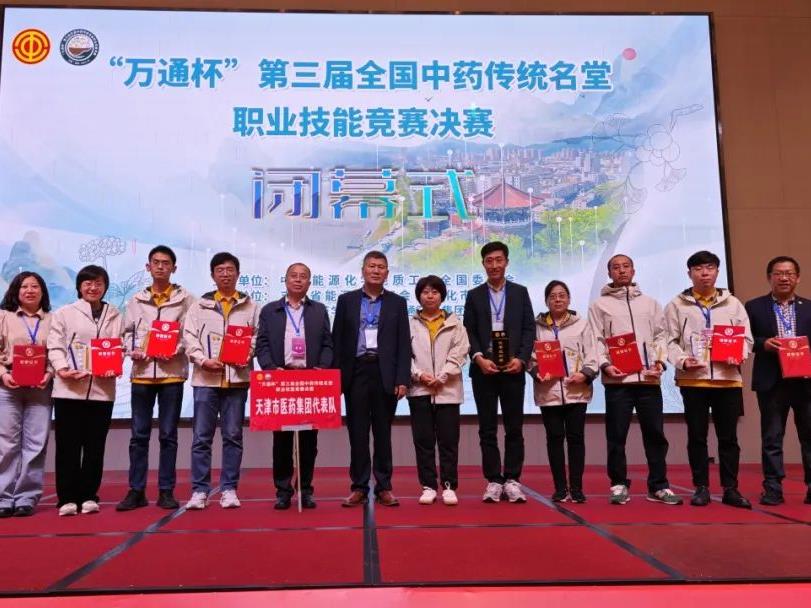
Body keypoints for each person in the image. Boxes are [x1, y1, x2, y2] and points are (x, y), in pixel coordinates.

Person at [587, 254, 682, 505]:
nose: (621, 271)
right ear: (609, 273)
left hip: (648, 380)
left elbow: (661, 336)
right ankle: (618, 484)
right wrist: (605, 365)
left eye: (626, 266)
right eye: (616, 267)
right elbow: (595, 339)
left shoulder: (651, 304)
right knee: (616, 436)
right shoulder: (599, 306)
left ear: (633, 270)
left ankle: (659, 486)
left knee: (655, 435)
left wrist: (659, 361)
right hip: (618, 382)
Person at [664, 250, 753, 509]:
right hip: (694, 381)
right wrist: (682, 361)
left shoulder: (733, 304)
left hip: (727, 379)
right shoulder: (676, 305)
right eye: (699, 269)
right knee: (697, 437)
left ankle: (731, 488)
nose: (705, 273)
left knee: (729, 438)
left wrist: (739, 355)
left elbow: (746, 338)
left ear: (717, 271)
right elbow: (668, 341)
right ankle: (701, 487)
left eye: (710, 268)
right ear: (689, 273)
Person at [116, 245, 194, 512]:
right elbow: (126, 333)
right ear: (148, 267)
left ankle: (166, 491)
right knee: (138, 436)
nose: (161, 267)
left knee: (168, 435)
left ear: (174, 268)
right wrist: (132, 350)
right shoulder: (136, 300)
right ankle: (136, 490)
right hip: (142, 374)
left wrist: (176, 348)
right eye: (156, 262)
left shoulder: (186, 300)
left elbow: (189, 333)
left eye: (166, 263)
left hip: (172, 374)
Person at [332, 251, 410, 507]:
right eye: (372, 266)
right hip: (355, 372)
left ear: (387, 273)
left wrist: (402, 379)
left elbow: (403, 344)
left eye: (381, 267)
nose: (376, 271)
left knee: (383, 433)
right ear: (363, 270)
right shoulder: (346, 301)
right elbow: (337, 340)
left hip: (384, 373)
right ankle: (359, 487)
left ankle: (384, 487)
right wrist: (336, 379)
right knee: (357, 433)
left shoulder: (397, 303)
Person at [182, 252, 259, 510]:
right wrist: (203, 360)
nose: (225, 274)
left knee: (233, 436)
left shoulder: (251, 306)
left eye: (229, 269)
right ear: (212, 275)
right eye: (220, 270)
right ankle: (199, 490)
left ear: (238, 273)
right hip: (206, 379)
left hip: (236, 381)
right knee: (201, 437)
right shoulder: (199, 306)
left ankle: (229, 488)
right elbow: (188, 337)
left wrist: (246, 355)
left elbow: (257, 337)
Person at [255, 262, 333, 510]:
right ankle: (283, 490)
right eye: (293, 276)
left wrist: (322, 367)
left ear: (309, 282)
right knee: (282, 441)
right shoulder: (270, 310)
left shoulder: (319, 310)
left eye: (303, 276)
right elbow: (262, 344)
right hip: (281, 380)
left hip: (310, 380)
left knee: (309, 441)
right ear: (286, 280)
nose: (298, 280)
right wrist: (270, 368)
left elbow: (328, 344)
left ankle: (305, 489)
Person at [47, 265, 124, 516]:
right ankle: (67, 498)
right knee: (67, 446)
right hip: (69, 389)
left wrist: (115, 364)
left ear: (105, 286)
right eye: (88, 283)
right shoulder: (64, 313)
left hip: (102, 390)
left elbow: (119, 345)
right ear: (79, 287)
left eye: (98, 283)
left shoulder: (115, 314)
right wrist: (62, 369)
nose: (93, 287)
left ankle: (89, 495)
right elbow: (55, 345)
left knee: (95, 446)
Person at [463, 241, 535, 503]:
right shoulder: (474, 295)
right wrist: (479, 358)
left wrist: (522, 359)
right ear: (483, 264)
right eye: (489, 261)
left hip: (513, 368)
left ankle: (513, 479)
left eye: (499, 260)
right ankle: (494, 480)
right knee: (487, 429)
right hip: (484, 370)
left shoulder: (519, 292)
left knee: (514, 428)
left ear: (506, 262)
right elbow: (468, 330)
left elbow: (529, 328)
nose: (494, 265)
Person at [744, 256, 811, 506]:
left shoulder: (809, 307)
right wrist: (764, 344)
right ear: (769, 277)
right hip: (772, 382)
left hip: (805, 381)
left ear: (798, 278)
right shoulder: (754, 306)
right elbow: (746, 340)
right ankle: (773, 488)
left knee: (809, 437)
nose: (784, 278)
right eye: (778, 273)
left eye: (789, 273)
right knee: (772, 438)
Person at [530, 280, 597, 503]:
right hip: (548, 392)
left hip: (576, 391)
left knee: (576, 439)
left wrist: (585, 374)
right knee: (554, 439)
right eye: (552, 296)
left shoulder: (582, 324)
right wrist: (536, 372)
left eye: (562, 295)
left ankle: (576, 488)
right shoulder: (536, 327)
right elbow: (529, 356)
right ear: (546, 301)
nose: (557, 299)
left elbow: (593, 354)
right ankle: (560, 488)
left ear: (569, 299)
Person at [407, 275, 469, 506]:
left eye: (435, 292)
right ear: (419, 296)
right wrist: (419, 375)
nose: (430, 296)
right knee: (423, 441)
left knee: (448, 442)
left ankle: (449, 486)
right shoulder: (410, 324)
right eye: (425, 292)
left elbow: (460, 352)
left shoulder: (455, 323)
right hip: (420, 390)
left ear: (442, 296)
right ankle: (428, 486)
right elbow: (404, 354)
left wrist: (443, 375)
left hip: (448, 390)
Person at [0, 272, 53, 517]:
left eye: (35, 286)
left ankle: (26, 497)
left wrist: (49, 374)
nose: (30, 290)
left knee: (36, 444)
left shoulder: (52, 319)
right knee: (6, 444)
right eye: (24, 286)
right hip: (8, 386)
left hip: (40, 387)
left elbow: (58, 352)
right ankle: (3, 496)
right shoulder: (4, 316)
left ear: (42, 291)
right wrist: (3, 374)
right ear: (16, 291)